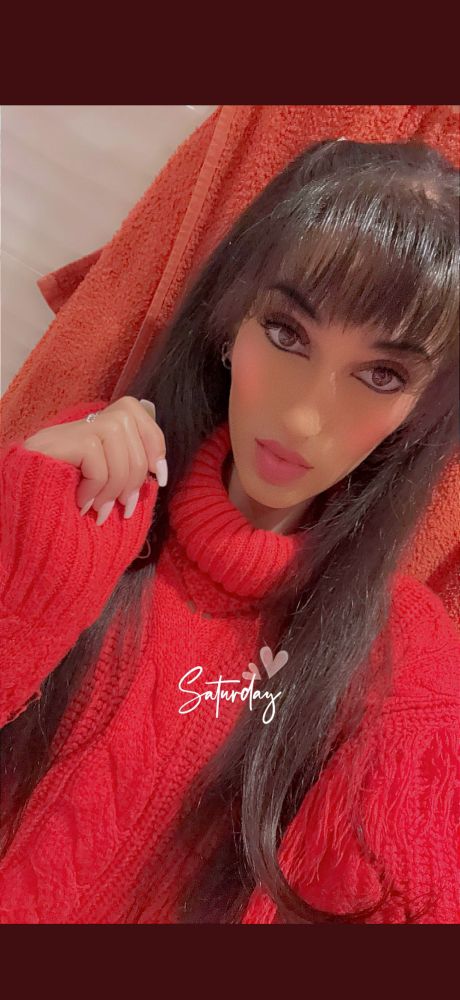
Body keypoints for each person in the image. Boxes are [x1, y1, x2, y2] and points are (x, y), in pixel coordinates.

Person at [0, 138, 459, 924]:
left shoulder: (403, 662)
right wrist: (23, 554)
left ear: (418, 411)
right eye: (286, 333)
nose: (305, 415)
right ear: (230, 325)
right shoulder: (86, 486)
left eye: (381, 375)